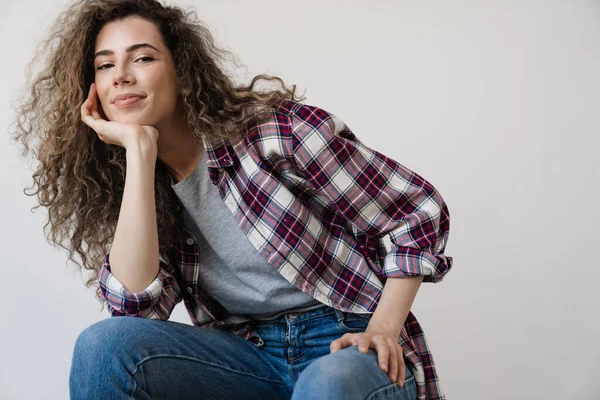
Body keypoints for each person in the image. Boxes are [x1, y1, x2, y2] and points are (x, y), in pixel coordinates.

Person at [10, 0, 453, 399]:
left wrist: (383, 329)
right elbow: (133, 310)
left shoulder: (276, 133)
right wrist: (140, 154)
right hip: (249, 359)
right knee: (103, 346)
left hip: (344, 341)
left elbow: (416, 214)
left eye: (142, 58)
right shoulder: (137, 189)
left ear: (181, 70)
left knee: (328, 384)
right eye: (105, 66)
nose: (121, 75)